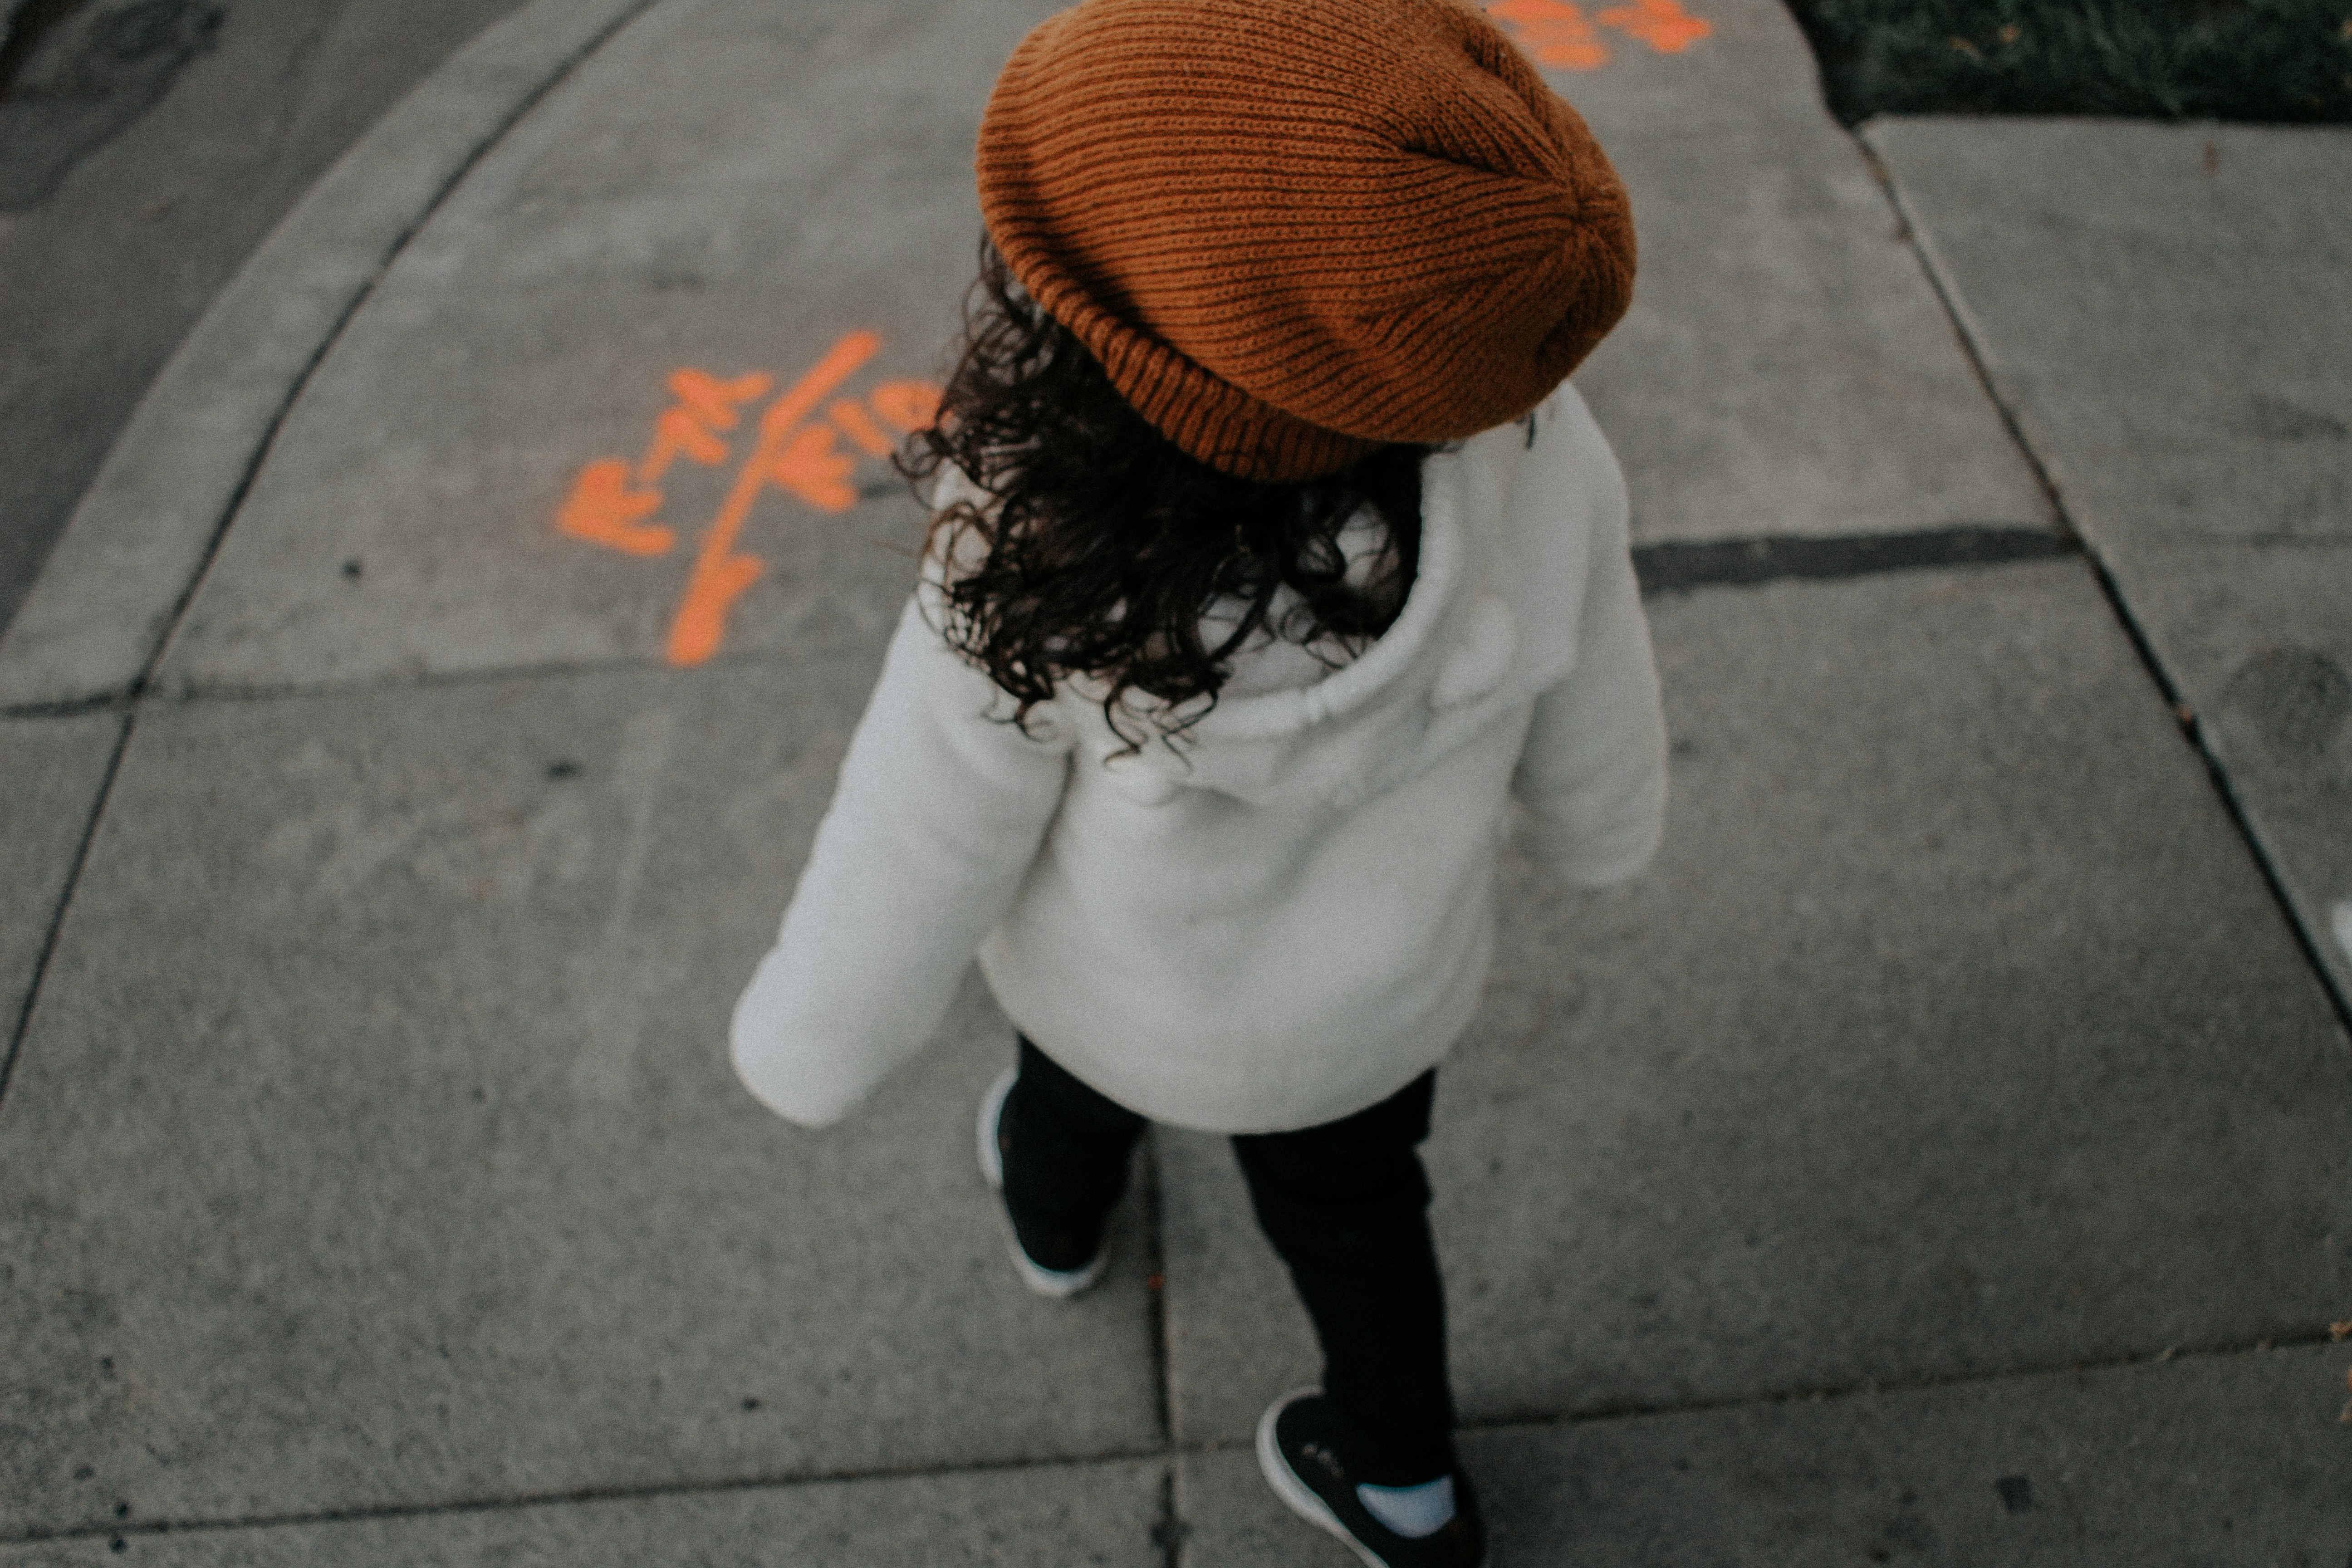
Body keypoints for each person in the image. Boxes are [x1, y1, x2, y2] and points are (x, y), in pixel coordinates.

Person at [729, 0, 1663, 1561]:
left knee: (1063, 1107)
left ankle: (1056, 1230)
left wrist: (814, 1036)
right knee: (1361, 1223)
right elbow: (1596, 662)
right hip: (1371, 1015)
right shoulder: (1534, 449)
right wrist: (1601, 826)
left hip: (1120, 992)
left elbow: (925, 822)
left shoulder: (1041, 548)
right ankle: (1407, 1487)